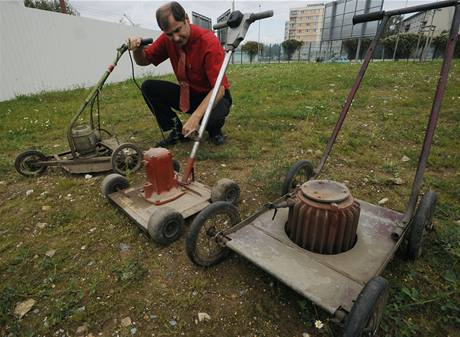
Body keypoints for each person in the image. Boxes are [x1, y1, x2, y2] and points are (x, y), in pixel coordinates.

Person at [127, 1, 232, 146]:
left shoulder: (208, 42)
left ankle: (214, 130)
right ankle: (176, 131)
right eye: (169, 34)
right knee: (149, 87)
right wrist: (137, 50)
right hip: (189, 94)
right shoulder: (167, 40)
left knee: (211, 119)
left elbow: (219, 88)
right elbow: (144, 61)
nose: (175, 38)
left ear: (186, 19)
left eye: (178, 30)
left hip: (214, 94)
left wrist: (195, 117)